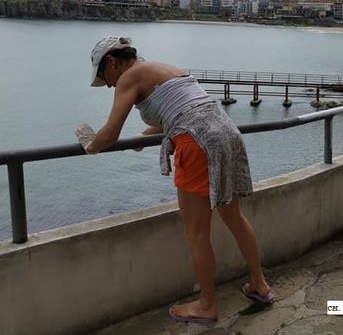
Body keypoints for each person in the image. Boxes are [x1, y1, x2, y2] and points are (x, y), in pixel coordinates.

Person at [74, 36, 272, 324]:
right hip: (226, 133)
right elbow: (179, 111)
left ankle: (207, 305)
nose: (108, 85)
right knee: (235, 218)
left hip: (197, 142)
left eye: (104, 77)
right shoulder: (163, 69)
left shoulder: (129, 77)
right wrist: (142, 138)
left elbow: (110, 134)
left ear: (112, 62)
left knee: (197, 233)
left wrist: (90, 145)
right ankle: (259, 284)